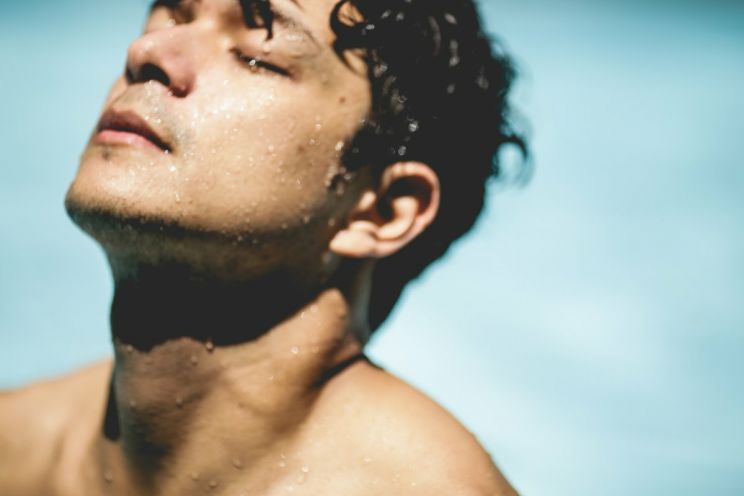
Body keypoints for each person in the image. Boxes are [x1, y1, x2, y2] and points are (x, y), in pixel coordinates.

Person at [0, 0, 525, 494]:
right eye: (169, 17)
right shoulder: (16, 443)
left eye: (258, 57)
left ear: (381, 211)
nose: (148, 52)